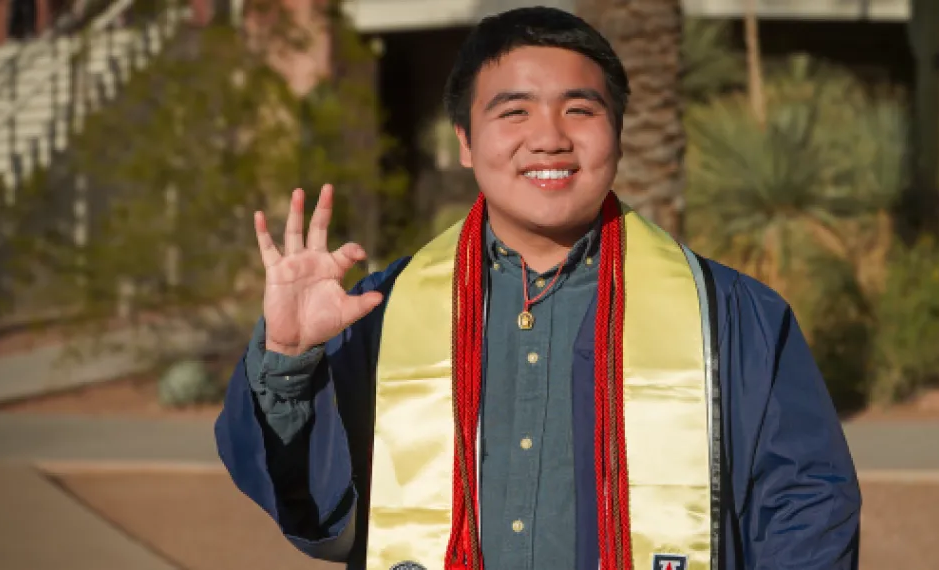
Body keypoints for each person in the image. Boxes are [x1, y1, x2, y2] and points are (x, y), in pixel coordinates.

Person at [215, 6, 861, 570]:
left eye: (580, 110)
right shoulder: (380, 311)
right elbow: (311, 511)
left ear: (619, 134)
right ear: (466, 142)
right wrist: (291, 359)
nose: (550, 139)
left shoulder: (731, 315)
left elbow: (806, 507)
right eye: (514, 111)